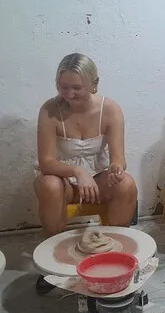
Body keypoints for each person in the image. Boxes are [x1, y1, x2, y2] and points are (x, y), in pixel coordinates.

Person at [34, 53, 137, 294]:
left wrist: (117, 168)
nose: (69, 94)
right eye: (63, 87)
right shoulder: (49, 110)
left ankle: (116, 254)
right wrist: (77, 171)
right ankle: (51, 263)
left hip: (97, 177)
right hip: (63, 179)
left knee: (126, 184)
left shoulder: (109, 109)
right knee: (49, 185)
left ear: (93, 84)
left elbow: (118, 158)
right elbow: (46, 163)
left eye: (76, 88)